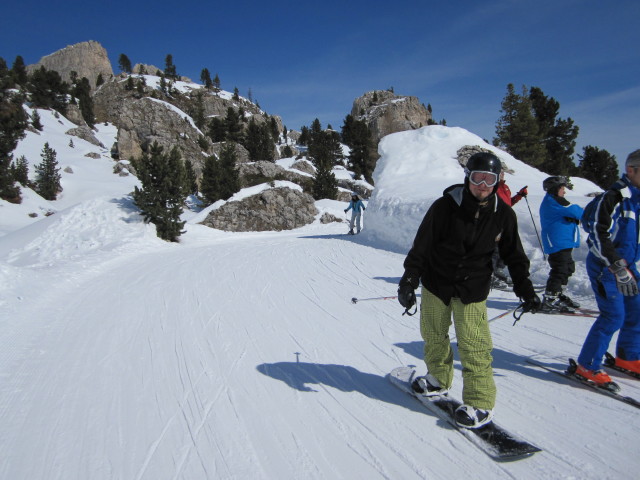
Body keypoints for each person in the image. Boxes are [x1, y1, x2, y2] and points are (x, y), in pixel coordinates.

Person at [396, 152, 541, 429]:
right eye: (477, 178)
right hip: (437, 282)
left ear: (498, 180)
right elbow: (422, 246)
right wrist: (409, 280)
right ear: (467, 178)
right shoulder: (444, 206)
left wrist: (526, 289)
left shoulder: (503, 214)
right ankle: (437, 378)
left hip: (472, 287)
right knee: (434, 335)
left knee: (474, 345)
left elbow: (514, 256)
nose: (483, 185)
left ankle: (480, 402)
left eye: (490, 178)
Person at [576, 149, 640, 385]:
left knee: (637, 310)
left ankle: (628, 356)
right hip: (606, 266)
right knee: (613, 316)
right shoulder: (615, 197)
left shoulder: (638, 199)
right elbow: (596, 232)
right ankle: (587, 365)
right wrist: (616, 266)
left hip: (630, 265)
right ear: (631, 170)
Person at [539, 176, 584, 312]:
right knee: (560, 269)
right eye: (562, 188)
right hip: (557, 242)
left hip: (562, 241)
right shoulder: (555, 201)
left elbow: (572, 214)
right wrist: (575, 217)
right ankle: (550, 299)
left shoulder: (554, 201)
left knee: (567, 268)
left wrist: (571, 219)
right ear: (555, 189)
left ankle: (558, 294)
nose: (564, 192)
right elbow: (578, 212)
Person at [492, 172, 528, 288]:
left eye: (502, 172)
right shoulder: (492, 186)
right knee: (495, 249)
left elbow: (507, 204)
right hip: (495, 222)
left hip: (505, 222)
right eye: (499, 172)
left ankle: (498, 271)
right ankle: (491, 274)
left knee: (504, 248)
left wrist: (519, 196)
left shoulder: (505, 188)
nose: (502, 174)